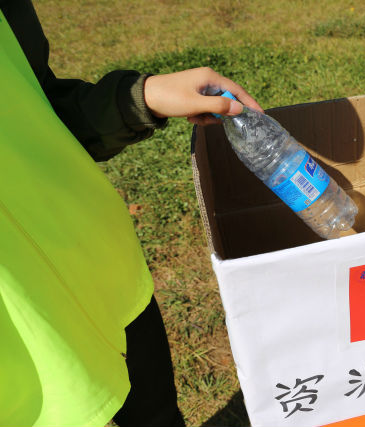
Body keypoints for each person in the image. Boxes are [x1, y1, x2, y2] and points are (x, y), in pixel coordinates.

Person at [0, 0, 262, 425]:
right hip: (17, 339)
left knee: (156, 414)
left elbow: (42, 106)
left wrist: (140, 98)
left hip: (97, 263)